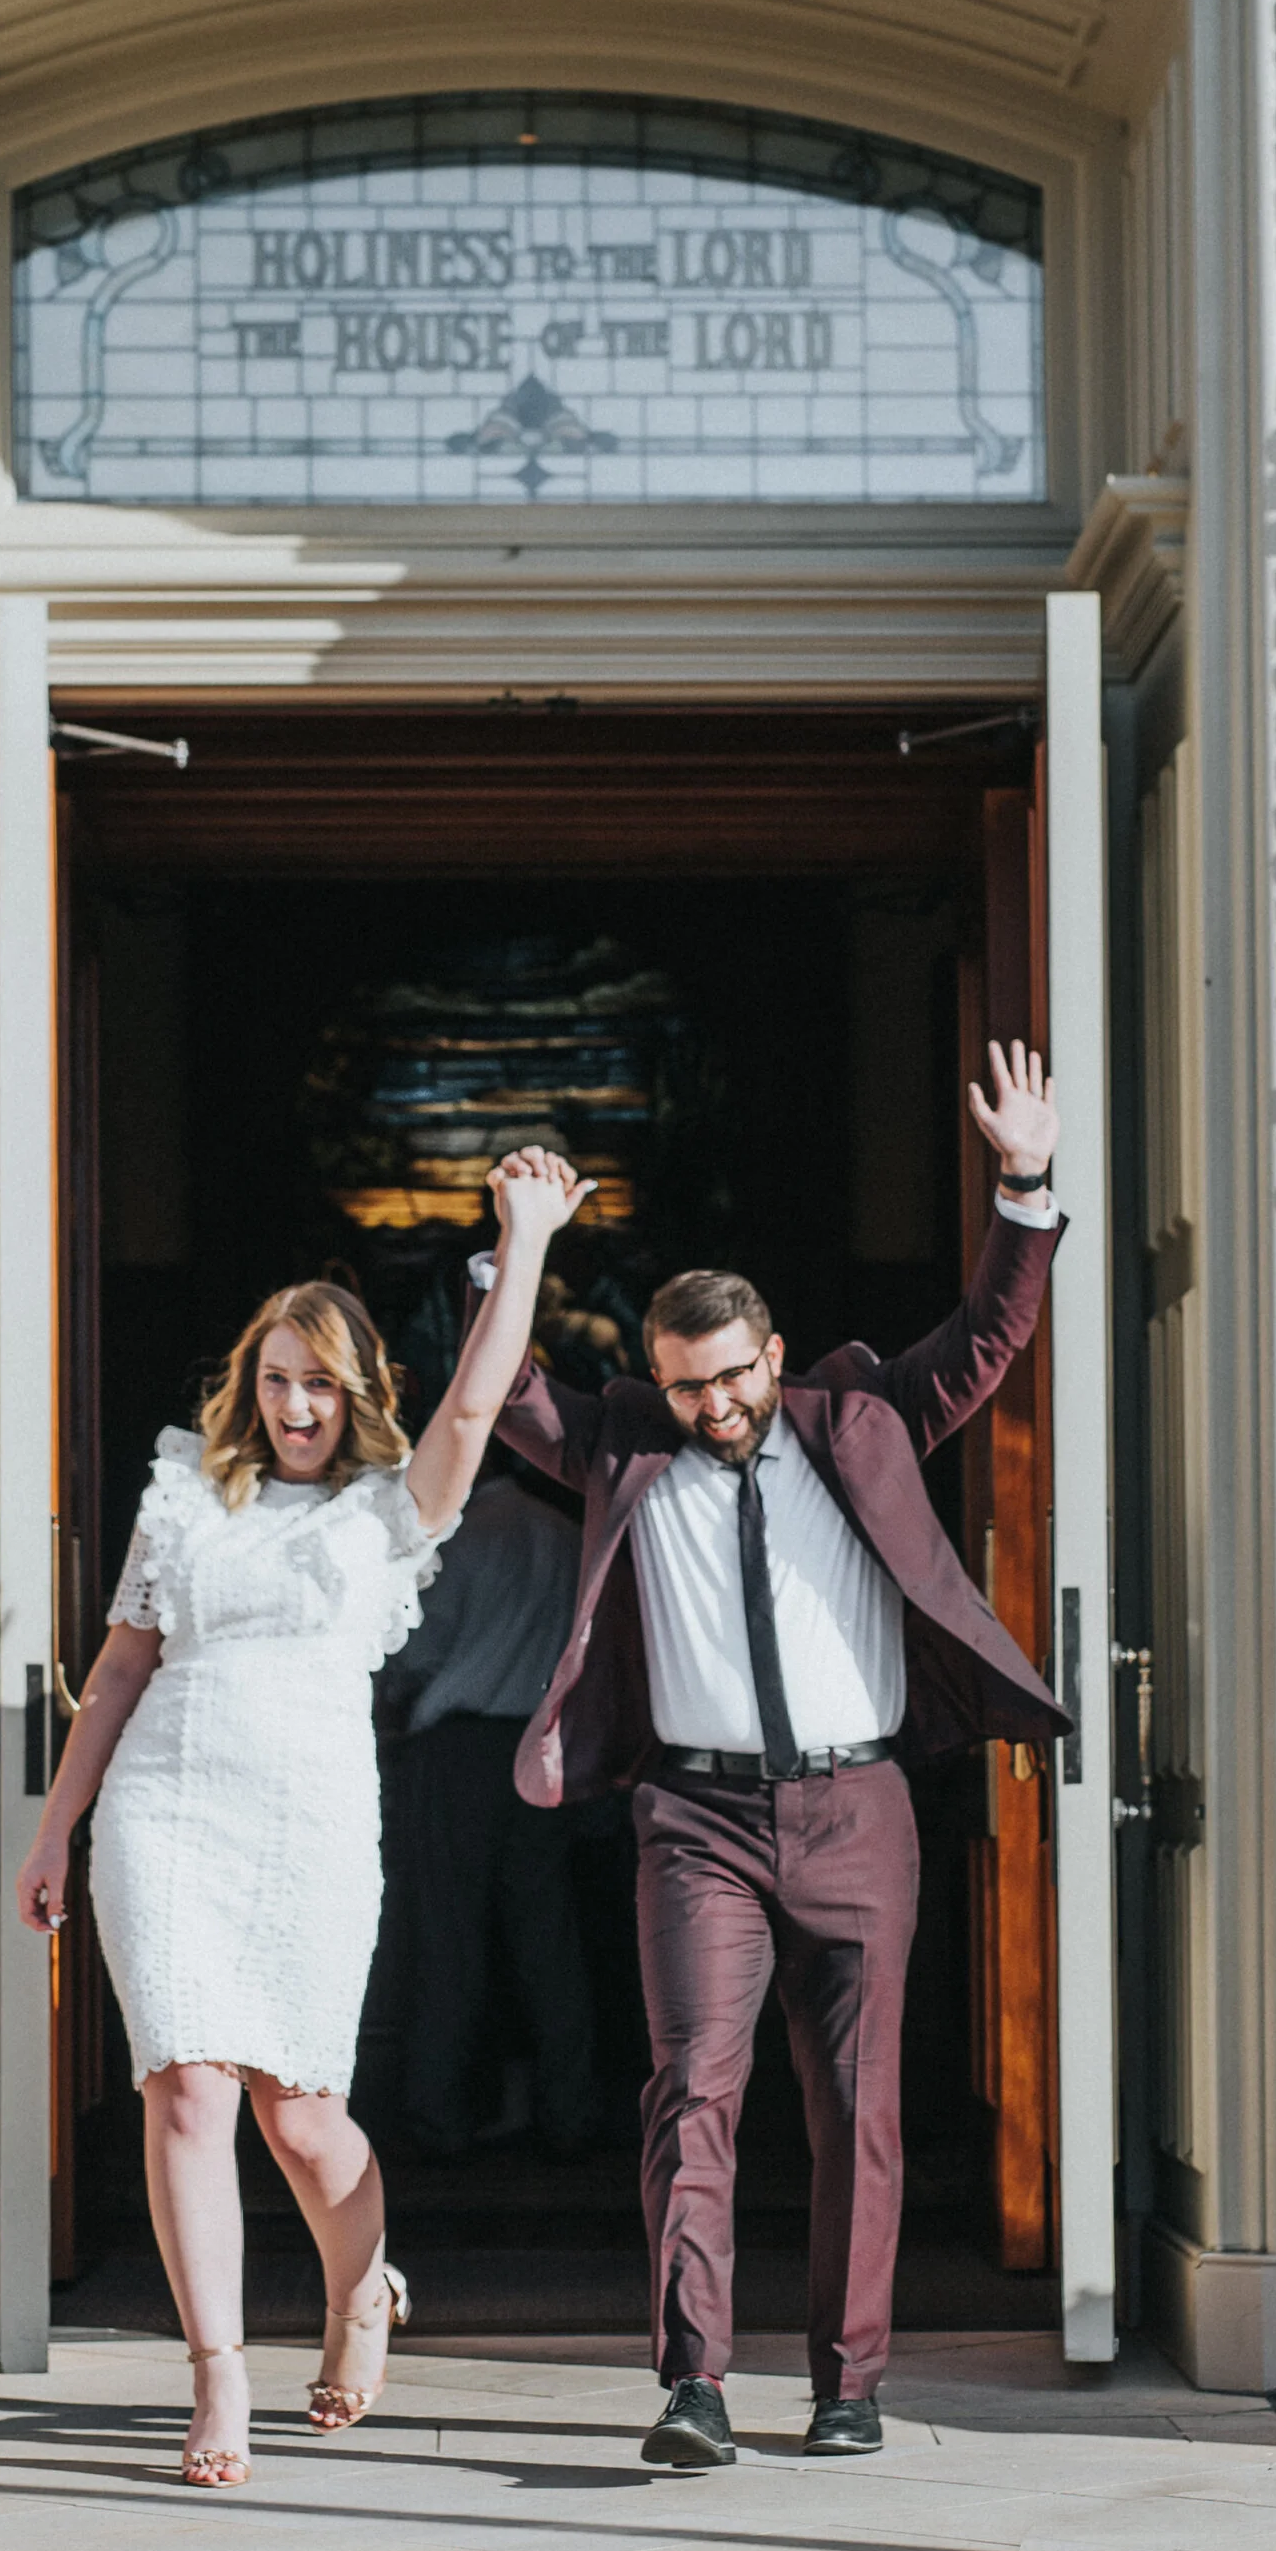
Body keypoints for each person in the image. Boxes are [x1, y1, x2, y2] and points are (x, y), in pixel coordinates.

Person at [476, 1045, 1069, 2469]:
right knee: (693, 2088)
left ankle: (851, 2383)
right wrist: (520, 1245)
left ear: (774, 1355)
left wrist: (1026, 1181)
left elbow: (986, 1337)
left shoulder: (858, 1421)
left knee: (861, 2105)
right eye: (687, 1386)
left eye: (731, 1378)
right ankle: (693, 2384)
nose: (713, 1406)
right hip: (696, 1815)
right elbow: (502, 1394)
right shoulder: (621, 1445)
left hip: (859, 1804)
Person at [14, 1164, 591, 2491]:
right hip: (166, 1809)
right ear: (247, 1385)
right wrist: (58, 1830)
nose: (295, 1405)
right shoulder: (184, 1501)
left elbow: (475, 1399)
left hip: (312, 1821)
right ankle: (217, 2376)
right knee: (185, 2094)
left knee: (303, 2117)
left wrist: (527, 1239)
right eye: (275, 1379)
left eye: (319, 1382)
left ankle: (357, 2290)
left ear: (356, 1391)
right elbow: (116, 1674)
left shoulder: (390, 1517)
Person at [378, 1466, 599, 2163]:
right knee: (549, 1936)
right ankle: (573, 2110)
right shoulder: (570, 1536)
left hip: (460, 1747)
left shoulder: (460, 1537)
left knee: (448, 1933)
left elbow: (418, 1650)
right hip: (544, 1744)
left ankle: (434, 2112)